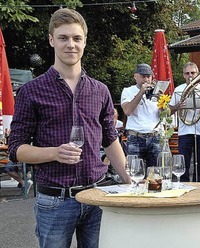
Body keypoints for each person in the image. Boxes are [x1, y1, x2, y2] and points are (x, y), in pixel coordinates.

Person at [8, 8, 130, 247]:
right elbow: (16, 149)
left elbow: (110, 139)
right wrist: (54, 152)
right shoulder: (31, 91)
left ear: (85, 41)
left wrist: (129, 179)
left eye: (76, 38)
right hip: (54, 201)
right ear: (52, 40)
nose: (70, 45)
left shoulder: (100, 90)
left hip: (97, 197)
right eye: (63, 38)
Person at [168, 62, 200, 182]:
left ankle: (199, 185)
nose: (190, 75)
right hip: (184, 131)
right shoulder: (178, 90)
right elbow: (169, 111)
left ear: (197, 73)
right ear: (183, 75)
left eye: (193, 73)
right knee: (184, 161)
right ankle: (184, 185)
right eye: (187, 73)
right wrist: (177, 107)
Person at [121, 63, 161, 167]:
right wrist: (141, 93)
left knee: (155, 175)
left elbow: (163, 115)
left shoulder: (156, 91)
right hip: (135, 137)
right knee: (135, 173)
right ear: (135, 76)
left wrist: (163, 102)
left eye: (149, 76)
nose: (146, 80)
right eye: (143, 76)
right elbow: (128, 111)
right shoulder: (128, 91)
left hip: (155, 137)